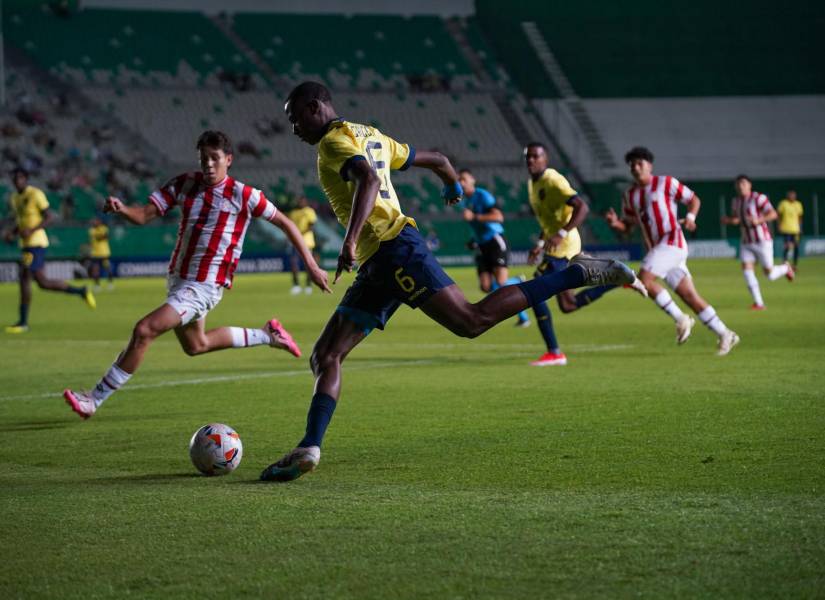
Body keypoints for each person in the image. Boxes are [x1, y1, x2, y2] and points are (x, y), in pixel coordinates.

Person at [259, 82, 637, 482]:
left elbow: (368, 181)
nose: (293, 127)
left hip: (392, 249)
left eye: (295, 116)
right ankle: (309, 446)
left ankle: (577, 272)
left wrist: (349, 241)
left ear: (316, 107)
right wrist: (453, 185)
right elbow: (438, 158)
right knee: (325, 355)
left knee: (471, 321)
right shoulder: (369, 133)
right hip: (379, 262)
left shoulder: (333, 144)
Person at [63, 130, 331, 419]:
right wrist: (122, 209)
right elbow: (143, 215)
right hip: (179, 279)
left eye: (215, 158)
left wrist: (312, 266)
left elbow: (286, 223)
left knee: (145, 330)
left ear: (229, 159)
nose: (209, 164)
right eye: (204, 158)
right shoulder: (184, 184)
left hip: (204, 286)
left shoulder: (244, 195)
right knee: (196, 345)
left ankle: (94, 399)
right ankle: (267, 335)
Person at [605, 146, 739, 354]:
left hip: (672, 242)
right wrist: (616, 225)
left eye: (640, 163)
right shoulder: (630, 196)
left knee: (642, 280)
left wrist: (692, 218)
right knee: (689, 296)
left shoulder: (665, 183)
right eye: (632, 164)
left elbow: (693, 199)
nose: (636, 167)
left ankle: (681, 319)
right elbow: (629, 227)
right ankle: (725, 333)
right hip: (660, 250)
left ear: (650, 165)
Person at [523, 143, 645, 366]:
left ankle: (554, 352)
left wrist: (560, 233)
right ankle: (615, 280)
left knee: (535, 290)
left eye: (535, 156)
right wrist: (540, 242)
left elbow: (582, 207)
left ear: (545, 158)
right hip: (554, 246)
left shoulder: (553, 180)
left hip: (563, 246)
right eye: (528, 157)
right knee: (567, 305)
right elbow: (548, 219)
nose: (531, 160)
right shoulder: (533, 183)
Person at [4, 167, 95, 333]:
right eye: (14, 178)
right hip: (26, 245)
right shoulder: (14, 198)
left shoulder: (35, 194)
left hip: (37, 243)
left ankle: (23, 322)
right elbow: (22, 222)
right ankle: (80, 291)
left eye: (20, 178)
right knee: (43, 283)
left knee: (24, 276)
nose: (17, 181)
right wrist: (12, 233)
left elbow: (50, 217)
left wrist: (31, 231)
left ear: (26, 178)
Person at [457, 168, 529, 328]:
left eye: (464, 179)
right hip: (482, 245)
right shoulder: (464, 201)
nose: (461, 182)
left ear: (472, 180)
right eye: (459, 180)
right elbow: (476, 227)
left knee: (501, 282)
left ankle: (522, 307)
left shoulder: (483, 196)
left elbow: (498, 217)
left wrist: (475, 216)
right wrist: (473, 241)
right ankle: (517, 283)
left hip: (495, 241)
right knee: (486, 287)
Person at [721, 175, 794, 310]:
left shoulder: (759, 198)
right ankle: (759, 303)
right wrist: (729, 221)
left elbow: (773, 214)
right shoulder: (736, 201)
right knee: (747, 271)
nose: (740, 186)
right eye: (738, 184)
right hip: (746, 242)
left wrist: (759, 220)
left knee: (770, 275)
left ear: (749, 185)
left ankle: (785, 268)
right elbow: (738, 219)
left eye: (743, 183)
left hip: (762, 241)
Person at [287, 195, 320, 294]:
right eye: (299, 201)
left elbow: (311, 226)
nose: (301, 203)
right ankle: (296, 285)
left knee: (308, 264)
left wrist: (298, 234)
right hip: (296, 242)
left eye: (302, 201)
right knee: (294, 263)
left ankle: (308, 285)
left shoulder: (309, 211)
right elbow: (290, 227)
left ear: (305, 202)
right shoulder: (293, 213)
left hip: (306, 242)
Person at [776, 190, 803, 267]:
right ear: (788, 196)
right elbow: (779, 216)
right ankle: (784, 262)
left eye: (794, 195)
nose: (792, 196)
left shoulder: (798, 204)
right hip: (786, 228)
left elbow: (800, 217)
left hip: (795, 229)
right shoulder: (783, 204)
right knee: (787, 246)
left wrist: (800, 227)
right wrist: (779, 225)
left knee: (796, 247)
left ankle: (794, 265)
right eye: (791, 195)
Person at [88, 215, 114, 290]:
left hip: (104, 252)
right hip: (95, 253)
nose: (94, 222)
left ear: (100, 222)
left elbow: (106, 236)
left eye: (96, 221)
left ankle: (110, 283)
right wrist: (103, 235)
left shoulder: (104, 228)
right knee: (95, 269)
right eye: (94, 221)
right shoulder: (91, 230)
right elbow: (100, 238)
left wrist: (104, 236)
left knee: (108, 268)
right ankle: (97, 285)